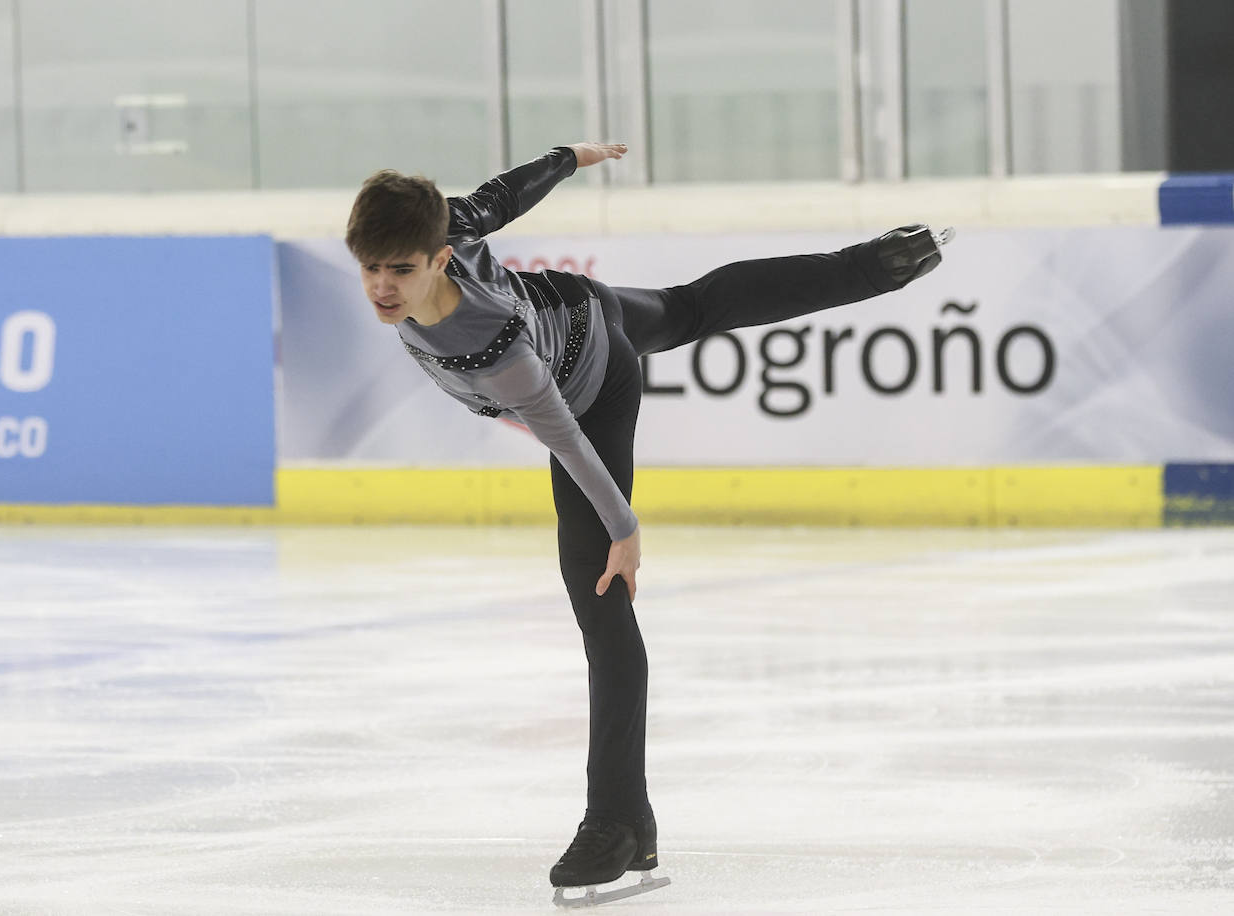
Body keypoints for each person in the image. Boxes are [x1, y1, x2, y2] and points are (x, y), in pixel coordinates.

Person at [343, 143, 945, 897]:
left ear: (435, 260)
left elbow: (561, 433)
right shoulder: (447, 228)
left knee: (599, 605)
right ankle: (874, 265)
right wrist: (568, 156)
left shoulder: (491, 345)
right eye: (370, 267)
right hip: (580, 301)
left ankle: (616, 821)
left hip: (592, 380)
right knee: (693, 305)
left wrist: (623, 530)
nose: (382, 287)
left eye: (400, 270)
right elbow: (500, 196)